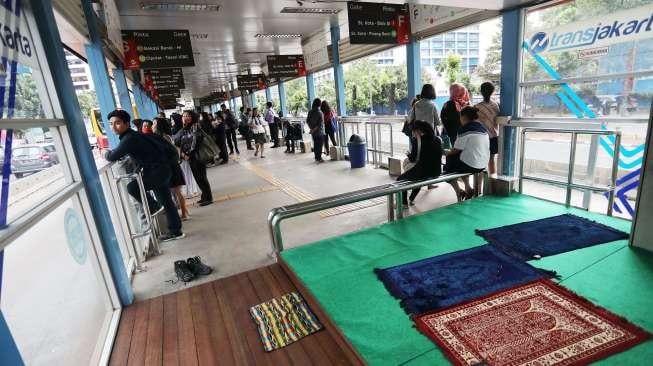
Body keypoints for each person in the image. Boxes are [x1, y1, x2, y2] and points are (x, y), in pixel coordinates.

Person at [104, 110, 185, 241]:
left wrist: (105, 153)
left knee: (132, 187)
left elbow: (113, 155)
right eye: (110, 124)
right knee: (167, 201)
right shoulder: (132, 136)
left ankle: (154, 207)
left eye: (117, 123)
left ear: (126, 124)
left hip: (158, 172)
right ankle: (176, 231)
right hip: (162, 170)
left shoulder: (129, 138)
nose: (113, 127)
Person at [445, 106, 489, 201]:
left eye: (460, 116)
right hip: (483, 164)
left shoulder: (464, 129)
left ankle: (458, 191)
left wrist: (446, 153)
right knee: (462, 159)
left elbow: (456, 150)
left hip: (471, 165)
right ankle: (468, 188)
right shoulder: (482, 128)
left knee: (448, 164)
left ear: (464, 117)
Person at [397, 120, 442, 208]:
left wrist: (408, 154)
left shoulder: (417, 140)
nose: (413, 133)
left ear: (418, 130)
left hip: (423, 171)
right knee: (418, 179)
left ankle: (404, 203)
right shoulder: (437, 139)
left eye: (413, 131)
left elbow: (413, 159)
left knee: (400, 180)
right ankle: (411, 199)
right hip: (436, 172)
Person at [153, 117, 190, 221]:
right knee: (176, 192)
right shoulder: (165, 136)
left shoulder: (163, 137)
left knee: (177, 192)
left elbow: (171, 152)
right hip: (172, 166)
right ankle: (184, 212)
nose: (152, 125)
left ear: (159, 125)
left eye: (154, 123)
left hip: (171, 167)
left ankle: (184, 213)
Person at [174, 110, 213, 206]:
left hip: (197, 156)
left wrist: (188, 154)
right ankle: (204, 196)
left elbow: (195, 142)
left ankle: (209, 198)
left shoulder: (195, 127)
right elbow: (177, 141)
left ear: (192, 117)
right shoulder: (184, 128)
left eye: (188, 116)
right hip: (190, 157)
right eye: (183, 116)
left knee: (202, 177)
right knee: (197, 178)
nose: (185, 117)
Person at [475, 82, 500, 175]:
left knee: (480, 160)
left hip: (481, 136)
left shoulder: (477, 107)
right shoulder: (496, 105)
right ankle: (492, 181)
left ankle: (480, 182)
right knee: (491, 159)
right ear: (492, 91)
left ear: (481, 92)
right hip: (494, 135)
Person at [306, 98, 325, 163]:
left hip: (313, 132)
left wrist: (311, 129)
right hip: (319, 132)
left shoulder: (310, 112)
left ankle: (316, 157)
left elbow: (307, 121)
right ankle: (319, 158)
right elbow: (319, 125)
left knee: (315, 144)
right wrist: (313, 130)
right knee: (319, 145)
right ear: (319, 104)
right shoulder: (320, 113)